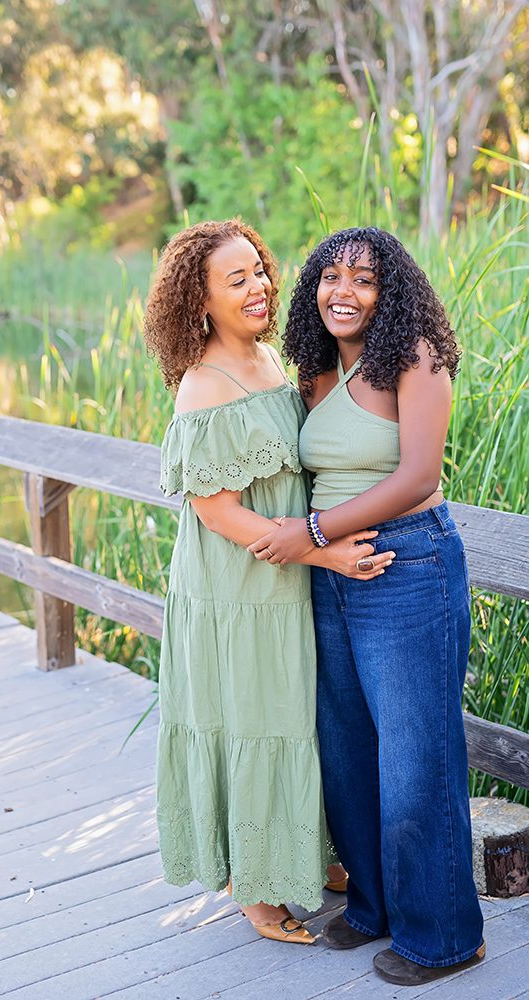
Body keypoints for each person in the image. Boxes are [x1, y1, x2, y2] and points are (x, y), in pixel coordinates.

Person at [143, 219, 395, 944]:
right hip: (234, 590)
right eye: (236, 279)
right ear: (200, 299)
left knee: (293, 719)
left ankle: (304, 857)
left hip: (282, 580)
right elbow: (215, 511)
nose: (257, 286)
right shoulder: (202, 384)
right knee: (252, 721)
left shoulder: (269, 361)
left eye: (258, 269)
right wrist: (324, 554)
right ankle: (254, 886)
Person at [248, 227, 485, 984]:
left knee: (416, 760)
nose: (342, 292)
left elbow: (418, 476)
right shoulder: (319, 371)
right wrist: (316, 548)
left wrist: (312, 530)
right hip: (331, 575)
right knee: (346, 751)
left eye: (363, 280)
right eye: (330, 276)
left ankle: (444, 937)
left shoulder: (416, 356)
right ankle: (373, 908)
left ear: (392, 294)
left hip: (405, 565)